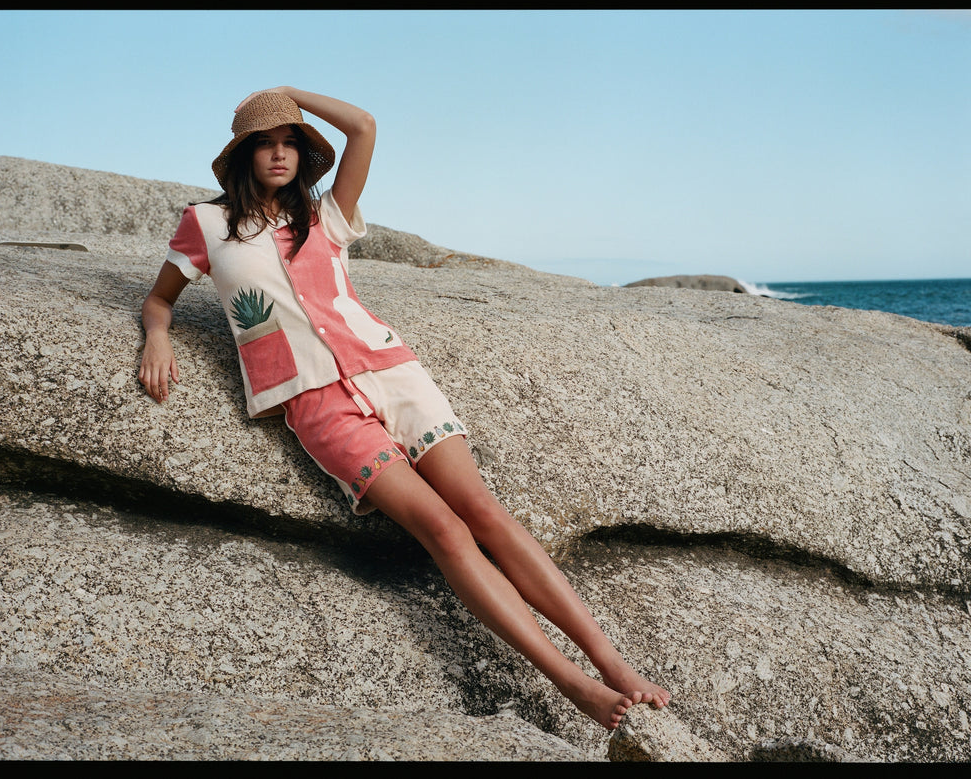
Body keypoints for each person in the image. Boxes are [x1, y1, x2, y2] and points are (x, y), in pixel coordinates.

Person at [138, 86, 670, 730]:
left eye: (291, 143)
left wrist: (289, 94)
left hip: (390, 372)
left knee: (482, 512)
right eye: (266, 143)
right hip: (314, 401)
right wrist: (158, 336)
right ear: (244, 155)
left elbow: (362, 126)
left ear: (304, 155)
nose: (279, 154)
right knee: (442, 530)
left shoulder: (325, 214)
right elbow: (161, 299)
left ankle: (612, 663)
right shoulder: (206, 224)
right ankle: (573, 684)